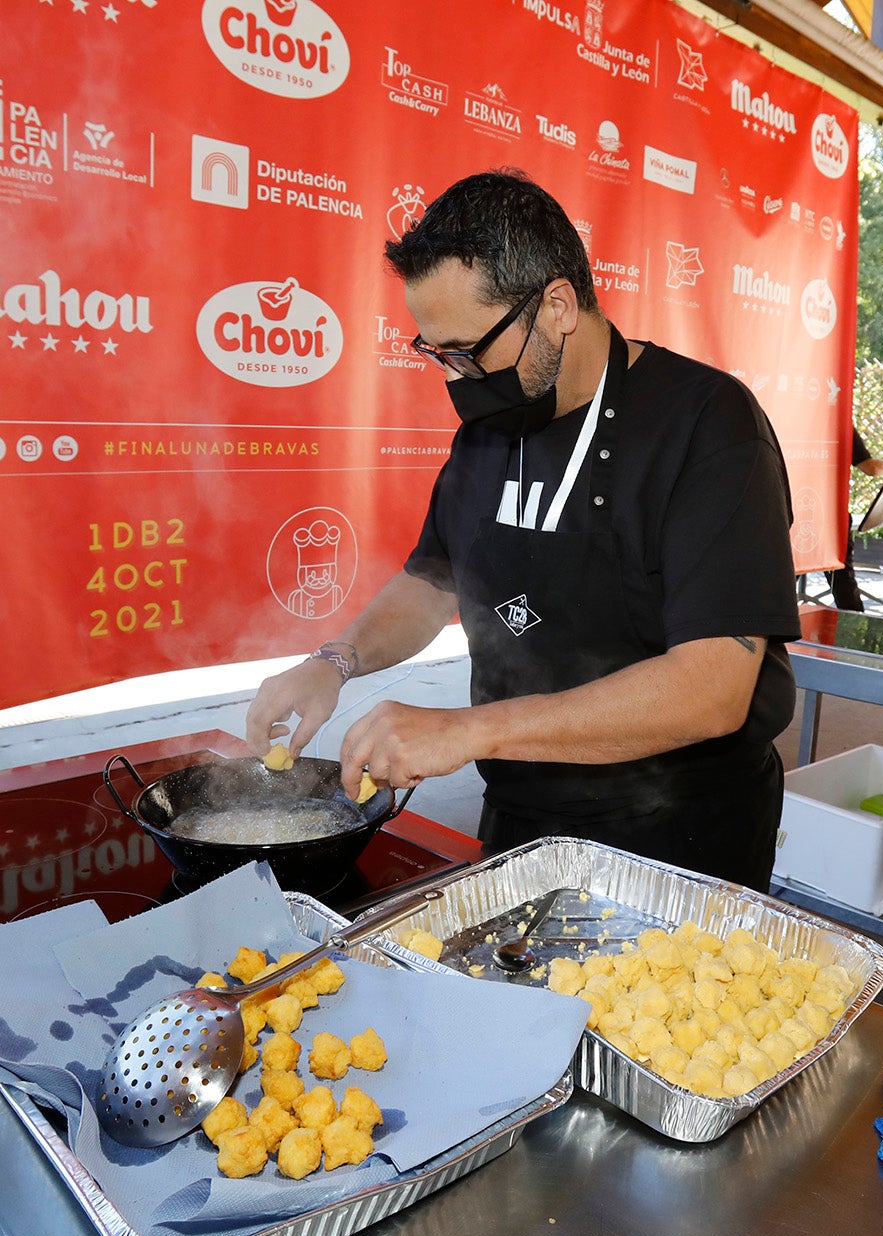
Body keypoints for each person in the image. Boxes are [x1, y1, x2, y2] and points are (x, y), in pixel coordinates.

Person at [245, 169, 802, 891]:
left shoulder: (708, 427)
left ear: (558, 306)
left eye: (470, 349)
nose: (458, 377)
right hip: (521, 819)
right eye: (438, 353)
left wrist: (469, 730)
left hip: (682, 838)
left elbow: (713, 689)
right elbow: (431, 576)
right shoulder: (491, 424)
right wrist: (336, 660)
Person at [829, 428, 883, 612]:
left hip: (801, 508)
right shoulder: (840, 421)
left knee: (789, 574)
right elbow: (871, 468)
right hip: (832, 514)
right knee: (843, 582)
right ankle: (850, 630)